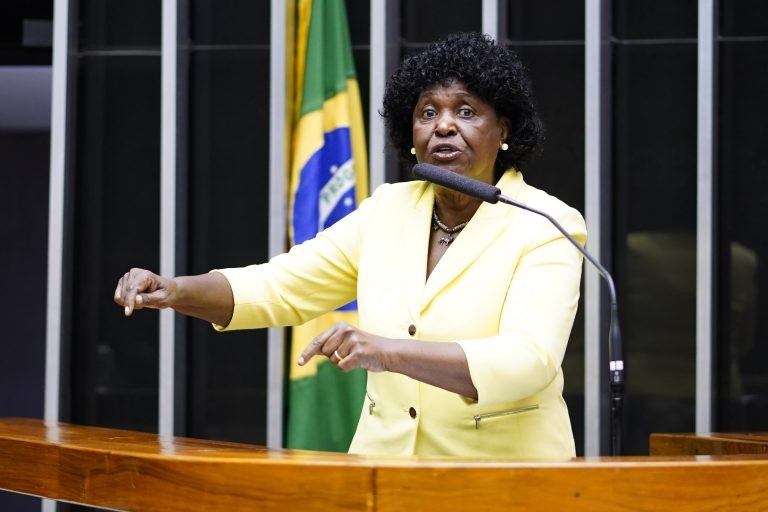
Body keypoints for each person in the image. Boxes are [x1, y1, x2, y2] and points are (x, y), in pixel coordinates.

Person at [114, 32, 586, 458]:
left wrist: (388, 353)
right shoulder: (386, 210)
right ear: (411, 133)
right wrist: (175, 290)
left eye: (465, 111)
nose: (442, 126)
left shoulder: (545, 223)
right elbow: (280, 285)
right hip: (381, 473)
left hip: (505, 480)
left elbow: (529, 361)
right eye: (427, 113)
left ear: (502, 130)